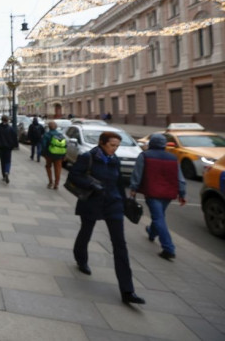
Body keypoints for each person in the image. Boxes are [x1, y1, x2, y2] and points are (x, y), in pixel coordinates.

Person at [68, 131, 145, 305]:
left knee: (120, 244)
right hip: (92, 202)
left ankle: (127, 290)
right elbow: (74, 175)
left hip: (113, 204)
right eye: (112, 145)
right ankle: (81, 259)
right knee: (86, 231)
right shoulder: (88, 157)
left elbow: (119, 183)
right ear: (102, 143)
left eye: (117, 146)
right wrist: (92, 184)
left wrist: (125, 202)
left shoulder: (114, 160)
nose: (115, 149)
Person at [129, 134, 186, 260]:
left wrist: (133, 188)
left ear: (151, 143)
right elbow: (180, 178)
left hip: (152, 192)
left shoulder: (145, 155)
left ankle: (168, 248)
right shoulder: (173, 158)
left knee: (158, 217)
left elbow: (137, 173)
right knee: (159, 216)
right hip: (168, 194)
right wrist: (182, 193)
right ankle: (151, 232)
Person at [0, 115, 17, 183]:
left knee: (2, 161)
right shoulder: (11, 129)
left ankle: (3, 175)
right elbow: (15, 138)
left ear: (1, 120)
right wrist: (13, 145)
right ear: (7, 120)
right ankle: (7, 172)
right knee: (8, 161)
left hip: (0, 148)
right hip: (8, 148)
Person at [41, 121, 66, 189]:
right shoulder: (61, 135)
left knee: (48, 167)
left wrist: (43, 154)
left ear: (49, 127)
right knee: (58, 169)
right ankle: (56, 184)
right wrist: (64, 155)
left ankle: (50, 182)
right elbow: (65, 146)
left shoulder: (47, 135)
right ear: (56, 127)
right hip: (59, 155)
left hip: (49, 154)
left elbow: (43, 145)